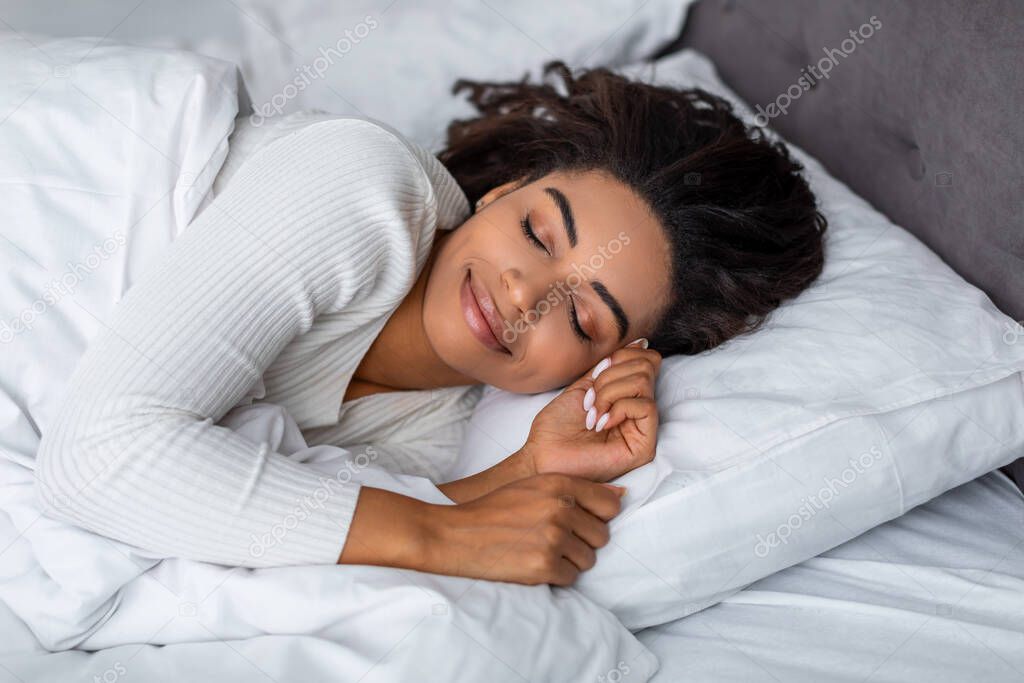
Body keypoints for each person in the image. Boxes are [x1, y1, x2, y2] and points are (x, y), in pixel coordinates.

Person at [35, 61, 826, 587]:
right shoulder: (361, 188)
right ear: (500, 190)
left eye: (582, 316)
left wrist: (525, 470)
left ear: (601, 362)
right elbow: (94, 458)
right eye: (538, 233)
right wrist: (439, 539)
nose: (524, 296)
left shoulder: (434, 432)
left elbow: (293, 516)